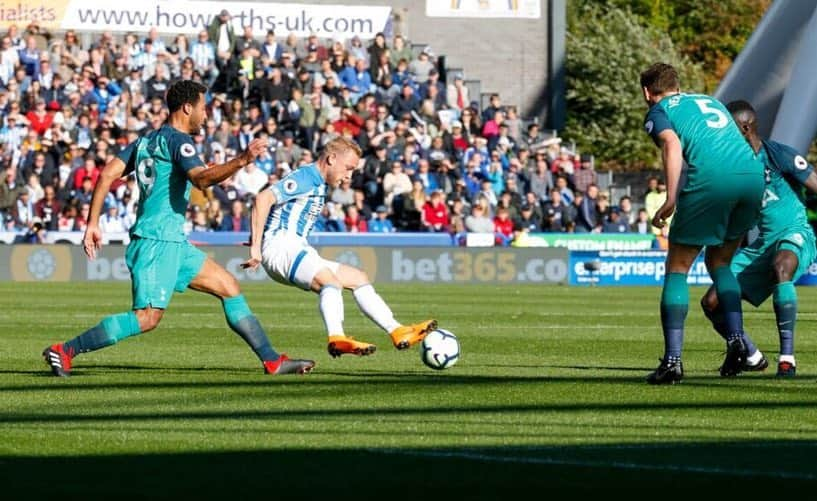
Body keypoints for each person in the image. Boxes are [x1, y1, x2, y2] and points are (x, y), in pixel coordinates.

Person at [42, 80, 314, 377]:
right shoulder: (178, 141)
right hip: (156, 241)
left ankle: (272, 360)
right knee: (147, 318)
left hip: (173, 241)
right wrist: (242, 160)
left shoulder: (147, 141)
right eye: (203, 108)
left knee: (228, 287)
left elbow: (107, 174)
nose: (205, 115)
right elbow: (201, 179)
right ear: (187, 108)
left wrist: (93, 223)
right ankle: (65, 350)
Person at [243, 136, 436, 358]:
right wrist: (257, 246)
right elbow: (263, 199)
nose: (349, 176)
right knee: (330, 282)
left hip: (292, 246)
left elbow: (276, 210)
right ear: (332, 158)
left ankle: (397, 331)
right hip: (283, 246)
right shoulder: (307, 176)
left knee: (358, 277)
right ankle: (336, 337)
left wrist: (259, 237)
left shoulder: (320, 182)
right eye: (348, 168)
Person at [640, 63, 764, 384]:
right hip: (751, 177)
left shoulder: (659, 110)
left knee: (678, 267)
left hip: (713, 181)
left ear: (646, 92)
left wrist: (670, 197)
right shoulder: (709, 100)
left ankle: (672, 362)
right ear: (678, 85)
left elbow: (671, 144)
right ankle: (737, 341)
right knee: (720, 263)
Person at [700, 100, 817, 378]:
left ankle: (787, 358)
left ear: (744, 127)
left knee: (781, 267)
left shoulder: (779, 155)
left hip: (795, 232)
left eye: (728, 130)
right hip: (762, 245)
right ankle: (751, 356)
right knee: (712, 302)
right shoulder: (731, 166)